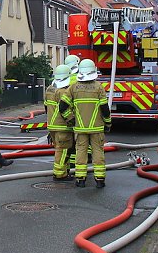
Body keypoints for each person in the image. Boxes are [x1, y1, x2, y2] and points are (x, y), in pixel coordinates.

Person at [61, 59, 111, 188]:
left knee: (80, 153)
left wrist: (70, 119)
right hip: (97, 128)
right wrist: (108, 123)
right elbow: (105, 109)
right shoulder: (98, 87)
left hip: (80, 128)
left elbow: (62, 106)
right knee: (98, 152)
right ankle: (100, 180)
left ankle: (80, 179)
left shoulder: (73, 87)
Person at [46, 64, 76, 181]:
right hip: (62, 126)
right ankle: (59, 174)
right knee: (63, 149)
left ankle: (64, 170)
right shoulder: (63, 92)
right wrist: (72, 120)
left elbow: (46, 107)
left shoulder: (49, 89)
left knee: (61, 149)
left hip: (52, 125)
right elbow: (65, 109)